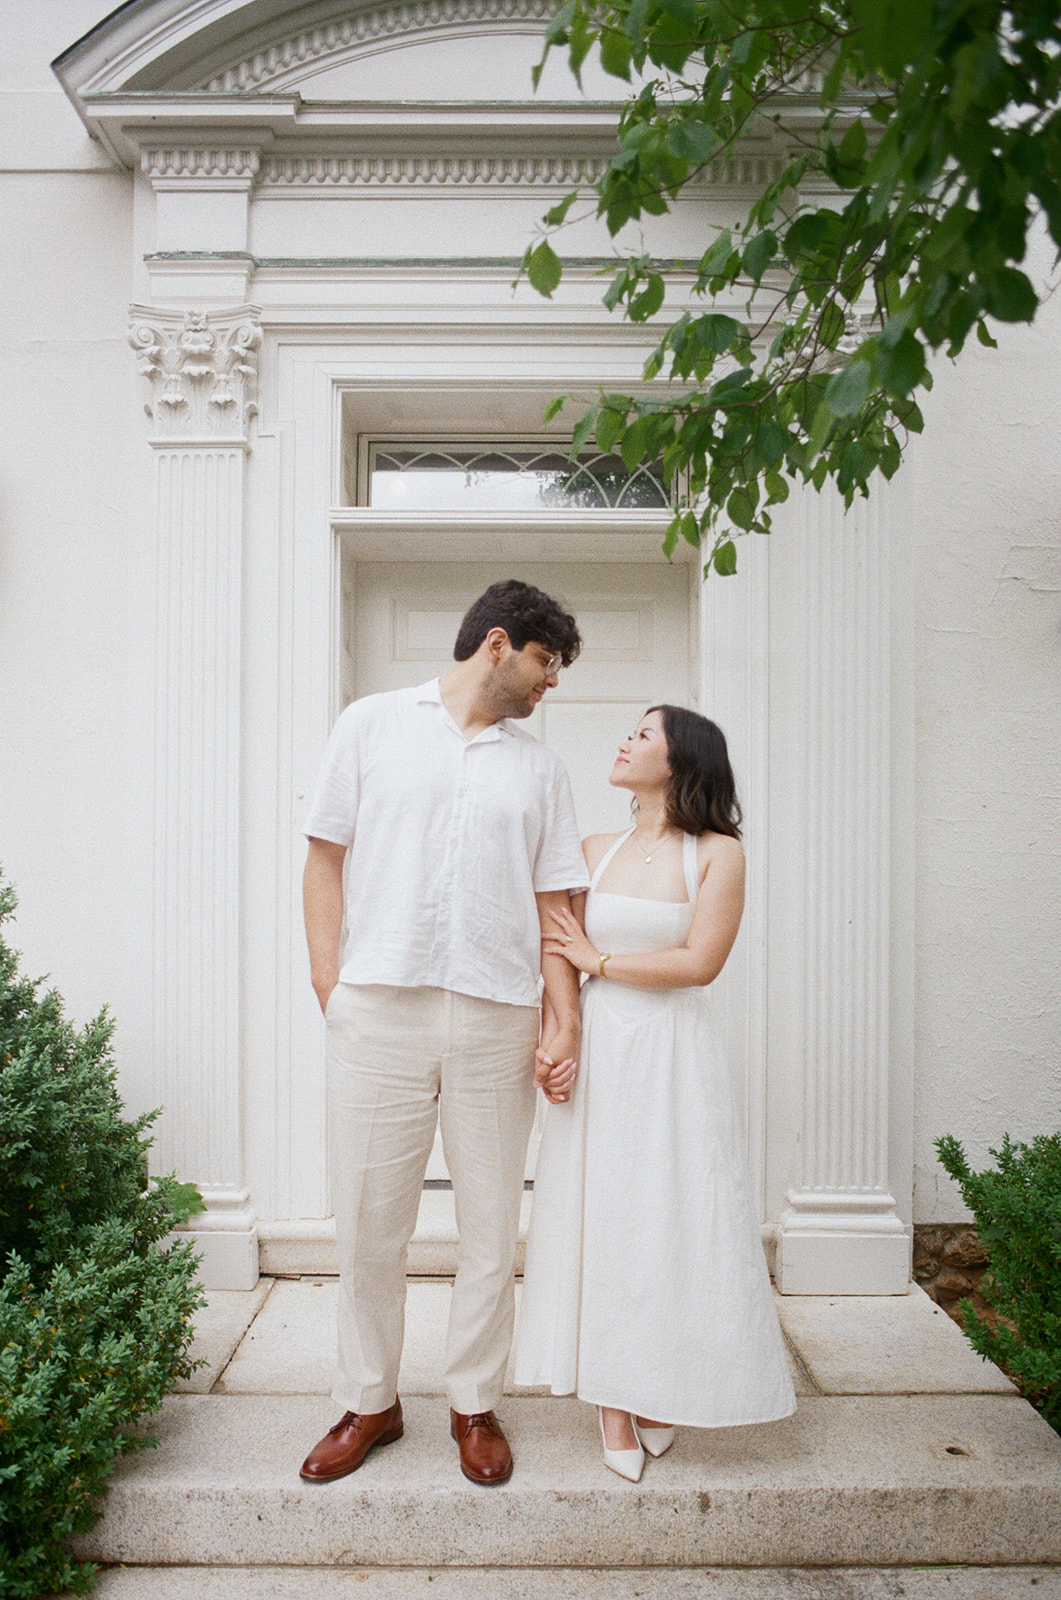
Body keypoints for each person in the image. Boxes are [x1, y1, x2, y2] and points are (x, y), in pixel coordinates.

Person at [299, 579, 589, 1488]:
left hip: (496, 1012)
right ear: (498, 645)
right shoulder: (370, 725)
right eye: (547, 663)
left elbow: (556, 905)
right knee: (368, 1221)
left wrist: (562, 1016)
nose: (553, 684)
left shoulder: (539, 769)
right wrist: (328, 985)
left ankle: (473, 1403)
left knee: (488, 1223)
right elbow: (324, 856)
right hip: (377, 1006)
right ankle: (368, 1401)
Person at [514, 705, 795, 1480]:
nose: (624, 741)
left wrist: (599, 959)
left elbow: (698, 962)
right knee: (604, 1216)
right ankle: (612, 1396)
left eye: (642, 734)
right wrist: (558, 1031)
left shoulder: (717, 853)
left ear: (681, 760)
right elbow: (554, 949)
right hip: (602, 1049)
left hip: (672, 1054)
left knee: (670, 1218)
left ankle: (660, 1384)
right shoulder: (592, 850)